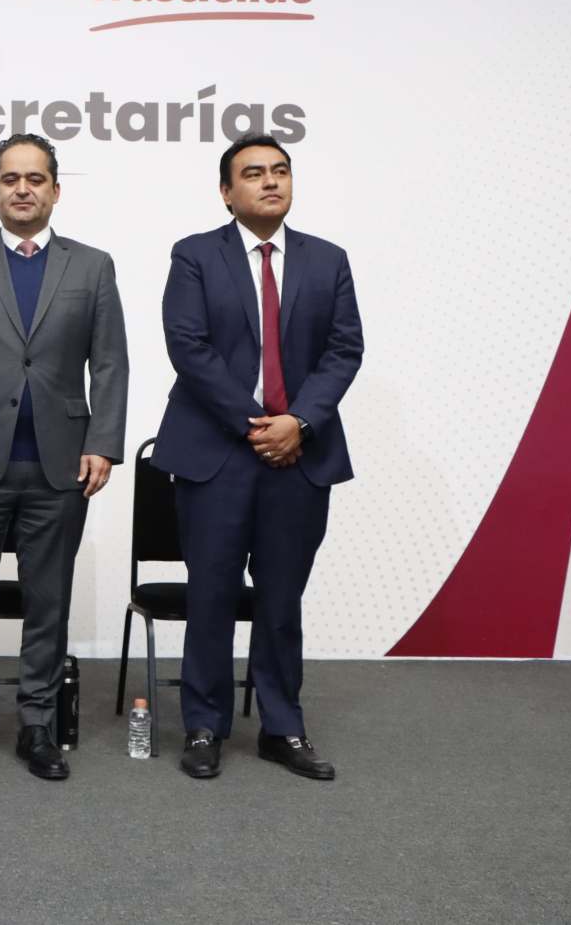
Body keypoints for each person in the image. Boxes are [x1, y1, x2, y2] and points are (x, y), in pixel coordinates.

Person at [152, 133, 363, 781]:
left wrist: (298, 422)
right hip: (217, 454)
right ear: (226, 192)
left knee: (280, 599)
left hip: (300, 456)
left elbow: (344, 350)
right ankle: (204, 725)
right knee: (211, 595)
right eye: (253, 173)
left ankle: (282, 726)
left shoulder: (328, 260)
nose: (270, 181)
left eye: (280, 171)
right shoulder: (195, 255)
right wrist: (257, 425)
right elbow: (188, 346)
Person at [0, 133, 128, 780]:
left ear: (56, 190)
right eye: (10, 178)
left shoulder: (92, 267)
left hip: (60, 466)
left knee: (48, 602)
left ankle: (38, 723)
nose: (23, 189)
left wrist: (103, 443)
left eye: (35, 178)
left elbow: (110, 362)